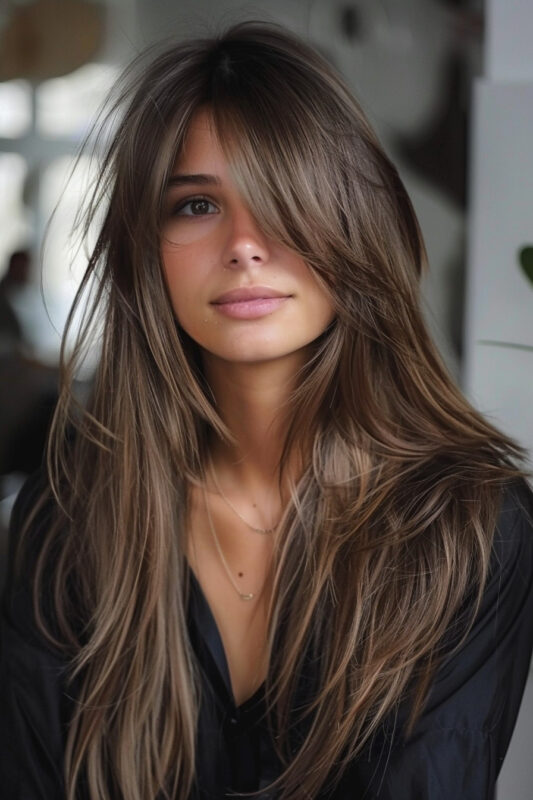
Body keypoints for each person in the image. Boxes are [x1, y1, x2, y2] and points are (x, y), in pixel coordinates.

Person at [1, 21, 532, 800]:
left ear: (352, 219)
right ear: (147, 248)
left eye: (282, 196)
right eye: (195, 206)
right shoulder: (74, 507)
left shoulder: (468, 526)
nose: (246, 244)